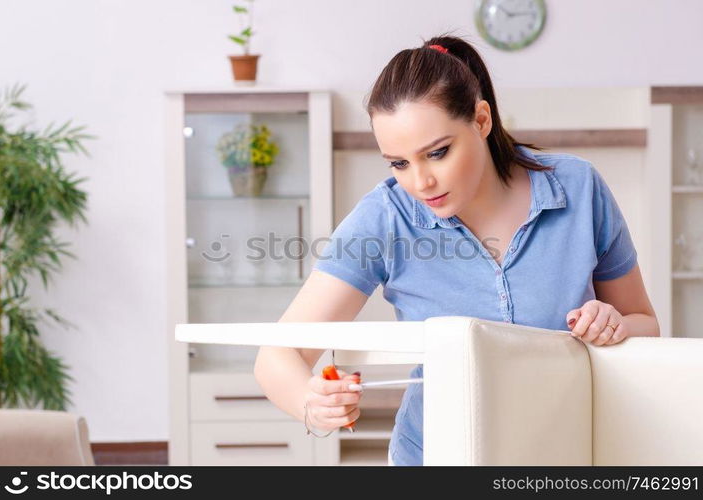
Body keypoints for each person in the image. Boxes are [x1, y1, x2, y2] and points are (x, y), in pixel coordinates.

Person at [254, 34, 660, 466]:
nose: (420, 182)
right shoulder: (387, 217)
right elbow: (278, 354)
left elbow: (646, 324)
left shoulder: (578, 189)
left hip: (561, 454)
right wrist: (311, 402)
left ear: (481, 120)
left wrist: (612, 324)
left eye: (438, 153)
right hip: (434, 457)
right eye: (399, 162)